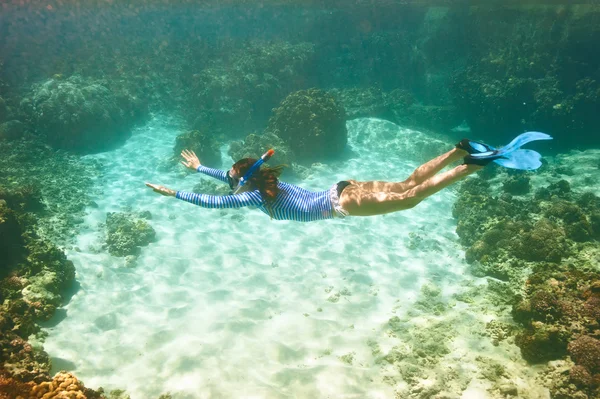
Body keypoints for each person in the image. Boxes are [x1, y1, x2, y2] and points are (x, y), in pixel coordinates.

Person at [146, 132, 552, 221]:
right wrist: (201, 169)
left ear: (244, 182)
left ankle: (472, 165)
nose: (232, 182)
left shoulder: (255, 196)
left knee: (411, 198)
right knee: (407, 183)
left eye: (235, 179)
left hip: (341, 203)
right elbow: (229, 179)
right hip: (342, 188)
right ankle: (460, 149)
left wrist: (177, 194)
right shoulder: (263, 182)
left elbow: (219, 198)